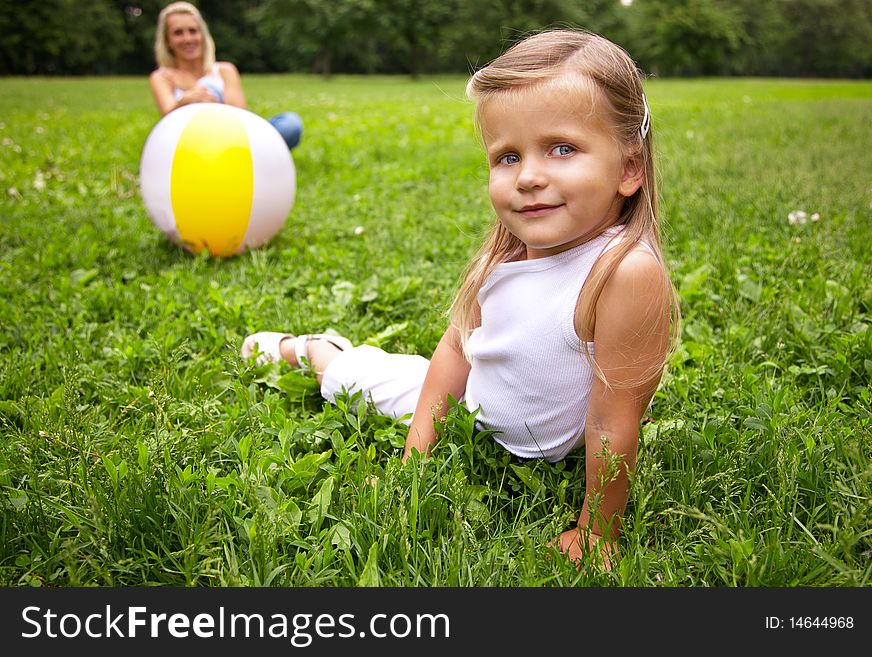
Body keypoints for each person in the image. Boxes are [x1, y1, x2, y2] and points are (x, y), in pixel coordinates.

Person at [241, 29, 679, 570]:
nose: (529, 177)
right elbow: (455, 354)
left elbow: (614, 420)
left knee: (383, 380)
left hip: (511, 423)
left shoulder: (623, 271)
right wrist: (413, 464)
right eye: (507, 157)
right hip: (474, 408)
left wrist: (598, 532)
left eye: (562, 148)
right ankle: (314, 350)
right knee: (356, 381)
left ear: (629, 168)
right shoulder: (509, 254)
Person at [149, 1, 303, 150]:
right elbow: (167, 122)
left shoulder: (224, 70)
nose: (188, 39)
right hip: (193, 144)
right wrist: (184, 102)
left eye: (193, 31)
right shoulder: (162, 77)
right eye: (178, 33)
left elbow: (241, 119)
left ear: (202, 35)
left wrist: (208, 101)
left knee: (290, 124)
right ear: (167, 41)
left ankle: (253, 157)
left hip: (233, 140)